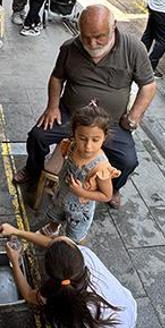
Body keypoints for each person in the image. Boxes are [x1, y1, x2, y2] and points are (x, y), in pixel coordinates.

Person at [13, 5, 156, 208]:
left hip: (110, 123)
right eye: (86, 37)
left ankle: (112, 188)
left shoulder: (133, 48)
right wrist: (53, 106)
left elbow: (148, 86)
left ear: (113, 27)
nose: (92, 43)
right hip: (71, 116)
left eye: (99, 36)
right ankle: (33, 170)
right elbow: (57, 78)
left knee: (128, 161)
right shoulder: (70, 48)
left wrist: (134, 116)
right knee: (38, 136)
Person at [0, 225, 137, 328]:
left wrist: (15, 261)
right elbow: (54, 244)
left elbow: (28, 295)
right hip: (129, 312)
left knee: (56, 317)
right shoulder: (84, 254)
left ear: (49, 274)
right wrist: (16, 231)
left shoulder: (55, 292)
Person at [37, 103, 120, 242]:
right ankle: (53, 228)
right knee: (56, 214)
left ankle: (74, 249)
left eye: (95, 140)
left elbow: (106, 195)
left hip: (80, 210)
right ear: (74, 133)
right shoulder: (70, 145)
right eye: (82, 138)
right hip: (62, 194)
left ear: (104, 137)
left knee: (75, 237)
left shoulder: (101, 168)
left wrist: (81, 192)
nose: (88, 146)